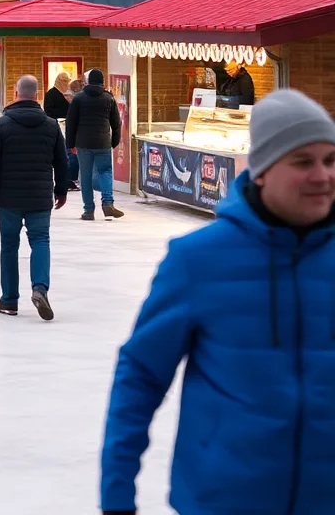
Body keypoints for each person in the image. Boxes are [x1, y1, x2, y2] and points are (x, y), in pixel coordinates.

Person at [100, 89, 335, 515]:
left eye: (331, 160)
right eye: (303, 161)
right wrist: (117, 496)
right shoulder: (198, 261)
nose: (322, 175)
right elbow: (140, 376)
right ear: (261, 170)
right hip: (224, 499)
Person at [0, 75, 69, 321]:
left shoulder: (2, 125)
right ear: (37, 95)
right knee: (40, 240)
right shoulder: (50, 126)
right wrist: (61, 190)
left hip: (8, 197)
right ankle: (40, 288)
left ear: (16, 93)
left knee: (9, 245)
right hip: (39, 196)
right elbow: (61, 162)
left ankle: (9, 300)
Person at [65, 69, 124, 221]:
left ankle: (88, 211)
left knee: (85, 175)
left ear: (88, 81)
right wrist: (115, 141)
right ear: (102, 82)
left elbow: (71, 123)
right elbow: (116, 123)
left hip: (83, 143)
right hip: (103, 142)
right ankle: (107, 203)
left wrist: (70, 143)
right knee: (105, 171)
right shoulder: (108, 98)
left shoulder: (78, 98)